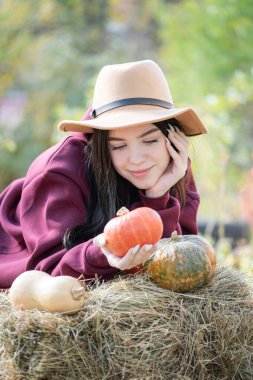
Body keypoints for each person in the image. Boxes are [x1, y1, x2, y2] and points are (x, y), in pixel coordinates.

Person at [0, 59, 207, 290]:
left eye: (149, 140)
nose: (136, 159)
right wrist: (103, 252)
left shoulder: (174, 164)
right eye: (118, 146)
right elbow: (48, 278)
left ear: (172, 135)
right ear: (100, 142)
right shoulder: (58, 172)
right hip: (15, 251)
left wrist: (158, 195)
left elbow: (183, 255)